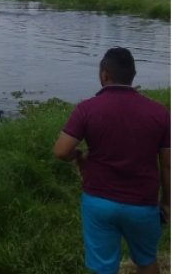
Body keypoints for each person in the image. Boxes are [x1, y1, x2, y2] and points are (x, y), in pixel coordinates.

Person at [53, 48, 169, 274]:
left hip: (99, 202)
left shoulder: (87, 108)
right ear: (133, 75)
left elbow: (60, 151)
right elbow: (168, 164)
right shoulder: (160, 112)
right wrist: (167, 201)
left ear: (105, 75)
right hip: (143, 204)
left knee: (104, 267)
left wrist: (79, 155)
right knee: (147, 260)